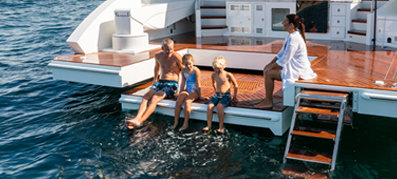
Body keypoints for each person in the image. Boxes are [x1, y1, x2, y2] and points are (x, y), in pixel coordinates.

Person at [255, 14, 317, 109]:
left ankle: (268, 101)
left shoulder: (294, 38)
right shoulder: (290, 35)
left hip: (298, 71)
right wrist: (269, 64)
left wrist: (270, 67)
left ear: (291, 24)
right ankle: (267, 99)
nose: (282, 23)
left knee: (268, 73)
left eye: (284, 22)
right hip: (296, 68)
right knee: (268, 69)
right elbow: (281, 53)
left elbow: (285, 59)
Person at [126, 38, 183, 129]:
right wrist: (154, 80)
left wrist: (182, 89)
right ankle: (136, 118)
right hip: (160, 82)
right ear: (162, 48)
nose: (169, 51)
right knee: (146, 97)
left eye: (171, 49)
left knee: (155, 98)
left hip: (172, 84)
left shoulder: (176, 56)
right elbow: (157, 67)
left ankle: (140, 121)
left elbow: (184, 71)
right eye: (167, 49)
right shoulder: (157, 55)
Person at [203, 56, 238, 133]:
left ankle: (221, 127)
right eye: (215, 68)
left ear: (224, 66)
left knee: (219, 106)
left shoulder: (228, 74)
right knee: (209, 106)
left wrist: (235, 97)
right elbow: (214, 83)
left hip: (226, 95)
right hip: (217, 94)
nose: (217, 70)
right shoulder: (214, 75)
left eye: (219, 68)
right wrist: (215, 91)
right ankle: (209, 125)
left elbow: (236, 85)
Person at [171, 54, 201, 131]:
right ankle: (176, 122)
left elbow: (198, 84)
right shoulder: (183, 70)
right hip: (187, 89)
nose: (188, 66)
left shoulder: (196, 70)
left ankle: (185, 123)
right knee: (178, 101)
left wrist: (200, 96)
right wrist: (180, 93)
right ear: (183, 64)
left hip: (195, 91)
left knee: (187, 101)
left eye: (190, 64)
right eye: (186, 64)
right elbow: (183, 83)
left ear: (193, 62)